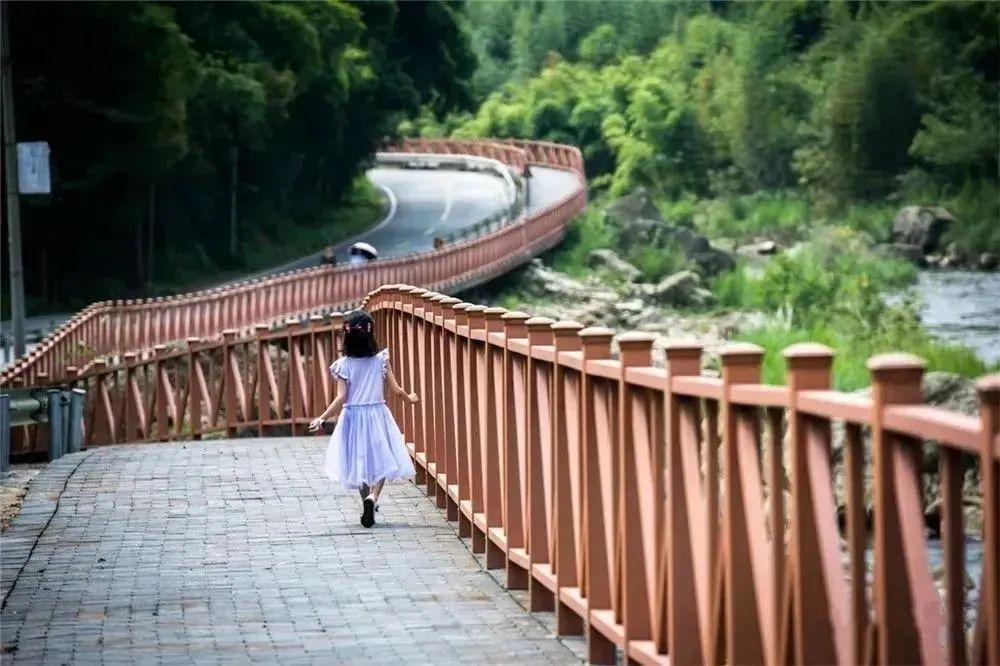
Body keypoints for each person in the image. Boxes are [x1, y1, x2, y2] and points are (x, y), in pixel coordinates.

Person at [308, 310, 418, 527]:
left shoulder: (343, 365)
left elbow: (341, 398)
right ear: (370, 333)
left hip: (353, 416)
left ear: (346, 336)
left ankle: (365, 499)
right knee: (383, 458)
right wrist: (410, 398)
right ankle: (373, 498)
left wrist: (322, 418)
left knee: (358, 460)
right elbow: (396, 391)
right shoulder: (380, 360)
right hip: (377, 414)